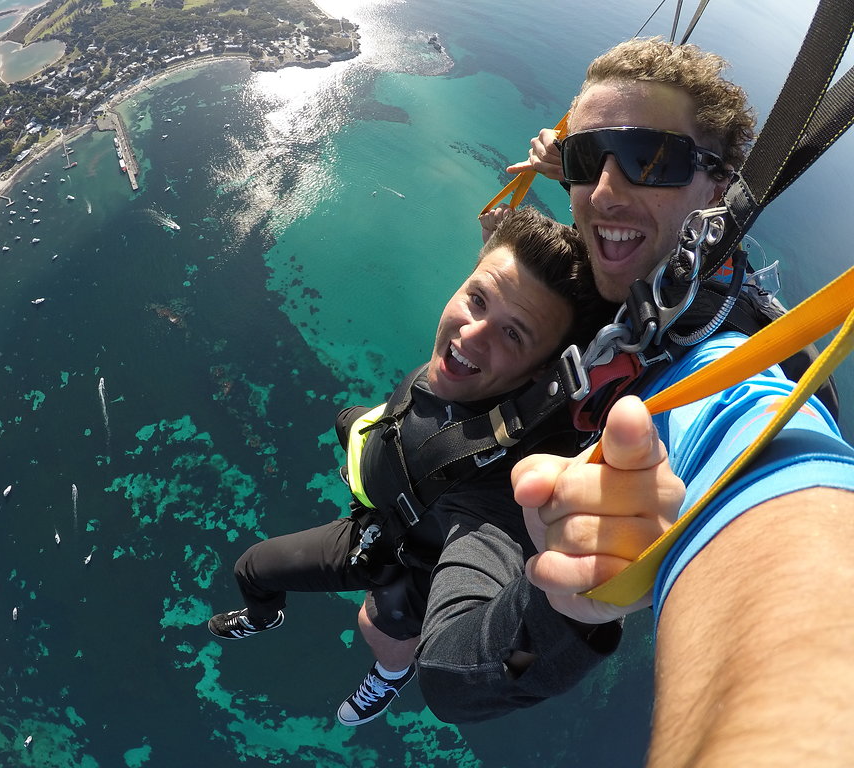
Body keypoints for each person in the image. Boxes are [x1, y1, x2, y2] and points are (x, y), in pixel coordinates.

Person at [416, 36, 854, 763]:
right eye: (593, 161)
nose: (608, 192)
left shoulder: (722, 362)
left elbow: (775, 487)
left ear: (716, 185)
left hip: (517, 495)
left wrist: (565, 607)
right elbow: (608, 206)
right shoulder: (644, 258)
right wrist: (570, 167)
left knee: (408, 641)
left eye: (653, 159)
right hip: (493, 439)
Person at [207, 205, 621, 727]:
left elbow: (460, 676)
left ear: (542, 372)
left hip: (410, 558)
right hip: (383, 503)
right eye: (476, 298)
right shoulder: (467, 371)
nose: (471, 336)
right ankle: (266, 617)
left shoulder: (501, 488)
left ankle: (389, 674)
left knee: (379, 622)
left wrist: (564, 620)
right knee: (251, 567)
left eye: (513, 334)